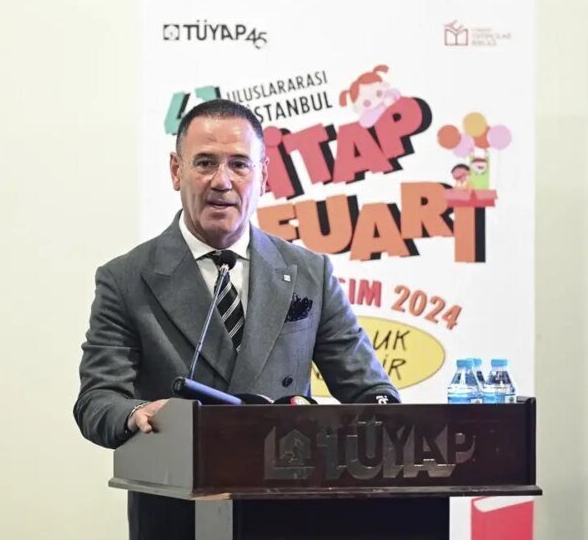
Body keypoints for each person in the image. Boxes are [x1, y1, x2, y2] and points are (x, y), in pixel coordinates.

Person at [74, 99, 400, 540]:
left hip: (291, 513)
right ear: (176, 171)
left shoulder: (310, 273)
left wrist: (384, 422)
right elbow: (97, 401)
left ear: (263, 175)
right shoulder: (126, 278)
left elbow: (370, 392)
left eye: (239, 164)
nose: (222, 181)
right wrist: (136, 412)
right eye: (205, 163)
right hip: (178, 517)